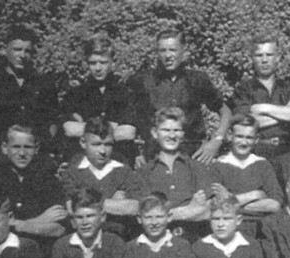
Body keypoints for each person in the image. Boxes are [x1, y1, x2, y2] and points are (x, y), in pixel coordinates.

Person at [127, 29, 231, 163]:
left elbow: (225, 111)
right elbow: (128, 121)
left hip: (192, 155)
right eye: (162, 50)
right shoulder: (142, 81)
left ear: (183, 51)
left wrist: (216, 141)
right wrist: (137, 153)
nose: (168, 55)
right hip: (154, 156)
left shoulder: (197, 80)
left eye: (173, 50)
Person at [0, 25, 58, 160]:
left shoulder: (44, 84)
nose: (22, 55)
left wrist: (48, 150)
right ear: (5, 50)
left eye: (27, 51)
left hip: (36, 158)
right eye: (17, 49)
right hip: (0, 159)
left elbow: (52, 120)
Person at [138, 107, 214, 242]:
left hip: (193, 239)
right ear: (155, 133)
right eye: (166, 130)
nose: (172, 136)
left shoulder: (197, 167)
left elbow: (206, 211)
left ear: (183, 134)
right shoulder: (145, 171)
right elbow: (146, 213)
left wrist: (164, 213)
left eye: (177, 130)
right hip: (157, 242)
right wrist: (190, 208)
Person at [60, 116, 143, 239]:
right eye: (96, 144)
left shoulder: (124, 171)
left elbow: (135, 207)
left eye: (108, 144)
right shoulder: (72, 172)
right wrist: (114, 203)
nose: (103, 151)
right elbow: (72, 208)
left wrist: (89, 204)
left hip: (118, 238)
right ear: (83, 143)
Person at [60, 34, 138, 163]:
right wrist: (112, 128)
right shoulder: (75, 94)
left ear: (112, 61)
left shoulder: (125, 94)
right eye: (92, 63)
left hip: (117, 159)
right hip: (84, 160)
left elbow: (128, 132)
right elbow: (69, 129)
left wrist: (86, 129)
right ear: (86, 63)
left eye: (103, 62)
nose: (97, 68)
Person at [0, 125, 67, 240]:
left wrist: (17, 224)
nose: (22, 153)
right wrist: (39, 221)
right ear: (5, 148)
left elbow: (58, 229)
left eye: (28, 147)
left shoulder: (49, 181)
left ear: (36, 149)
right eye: (16, 147)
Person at [230, 34, 290, 159]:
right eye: (259, 55)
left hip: (288, 152)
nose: (264, 60)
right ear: (252, 59)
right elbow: (246, 123)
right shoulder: (243, 89)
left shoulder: (289, 88)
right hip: (255, 152)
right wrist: (286, 112)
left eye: (269, 55)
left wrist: (263, 109)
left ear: (278, 58)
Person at [210, 114, 283, 238]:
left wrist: (232, 201)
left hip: (261, 231)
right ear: (229, 136)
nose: (244, 142)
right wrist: (255, 195)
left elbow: (275, 204)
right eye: (239, 136)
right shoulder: (218, 167)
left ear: (256, 139)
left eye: (249, 138)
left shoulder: (263, 165)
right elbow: (217, 206)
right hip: (229, 231)